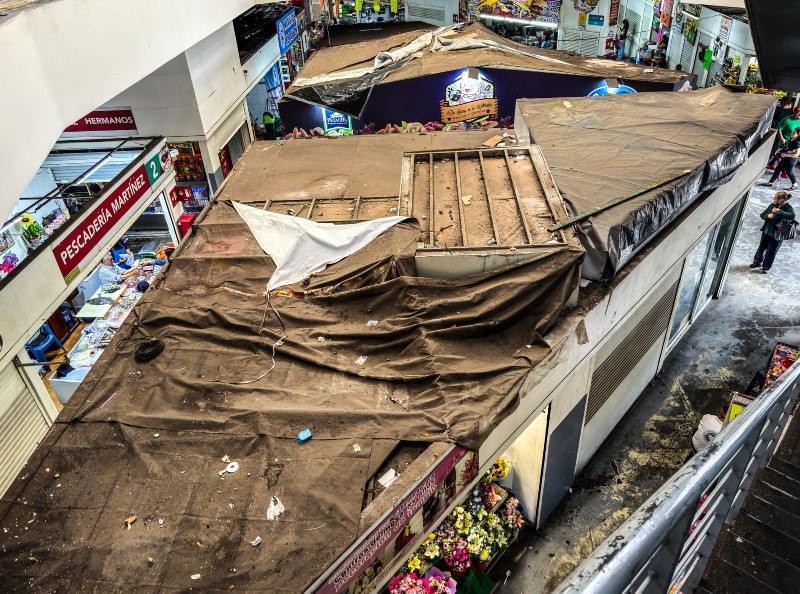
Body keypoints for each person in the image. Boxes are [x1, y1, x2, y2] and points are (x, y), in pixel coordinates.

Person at [750, 191, 795, 273]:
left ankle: (766, 267)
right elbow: (762, 215)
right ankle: (757, 262)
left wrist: (780, 212)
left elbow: (792, 216)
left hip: (778, 233)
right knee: (761, 247)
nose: (774, 199)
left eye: (777, 198)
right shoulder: (772, 205)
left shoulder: (788, 208)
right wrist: (768, 216)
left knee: (771, 251)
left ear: (782, 200)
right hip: (767, 230)